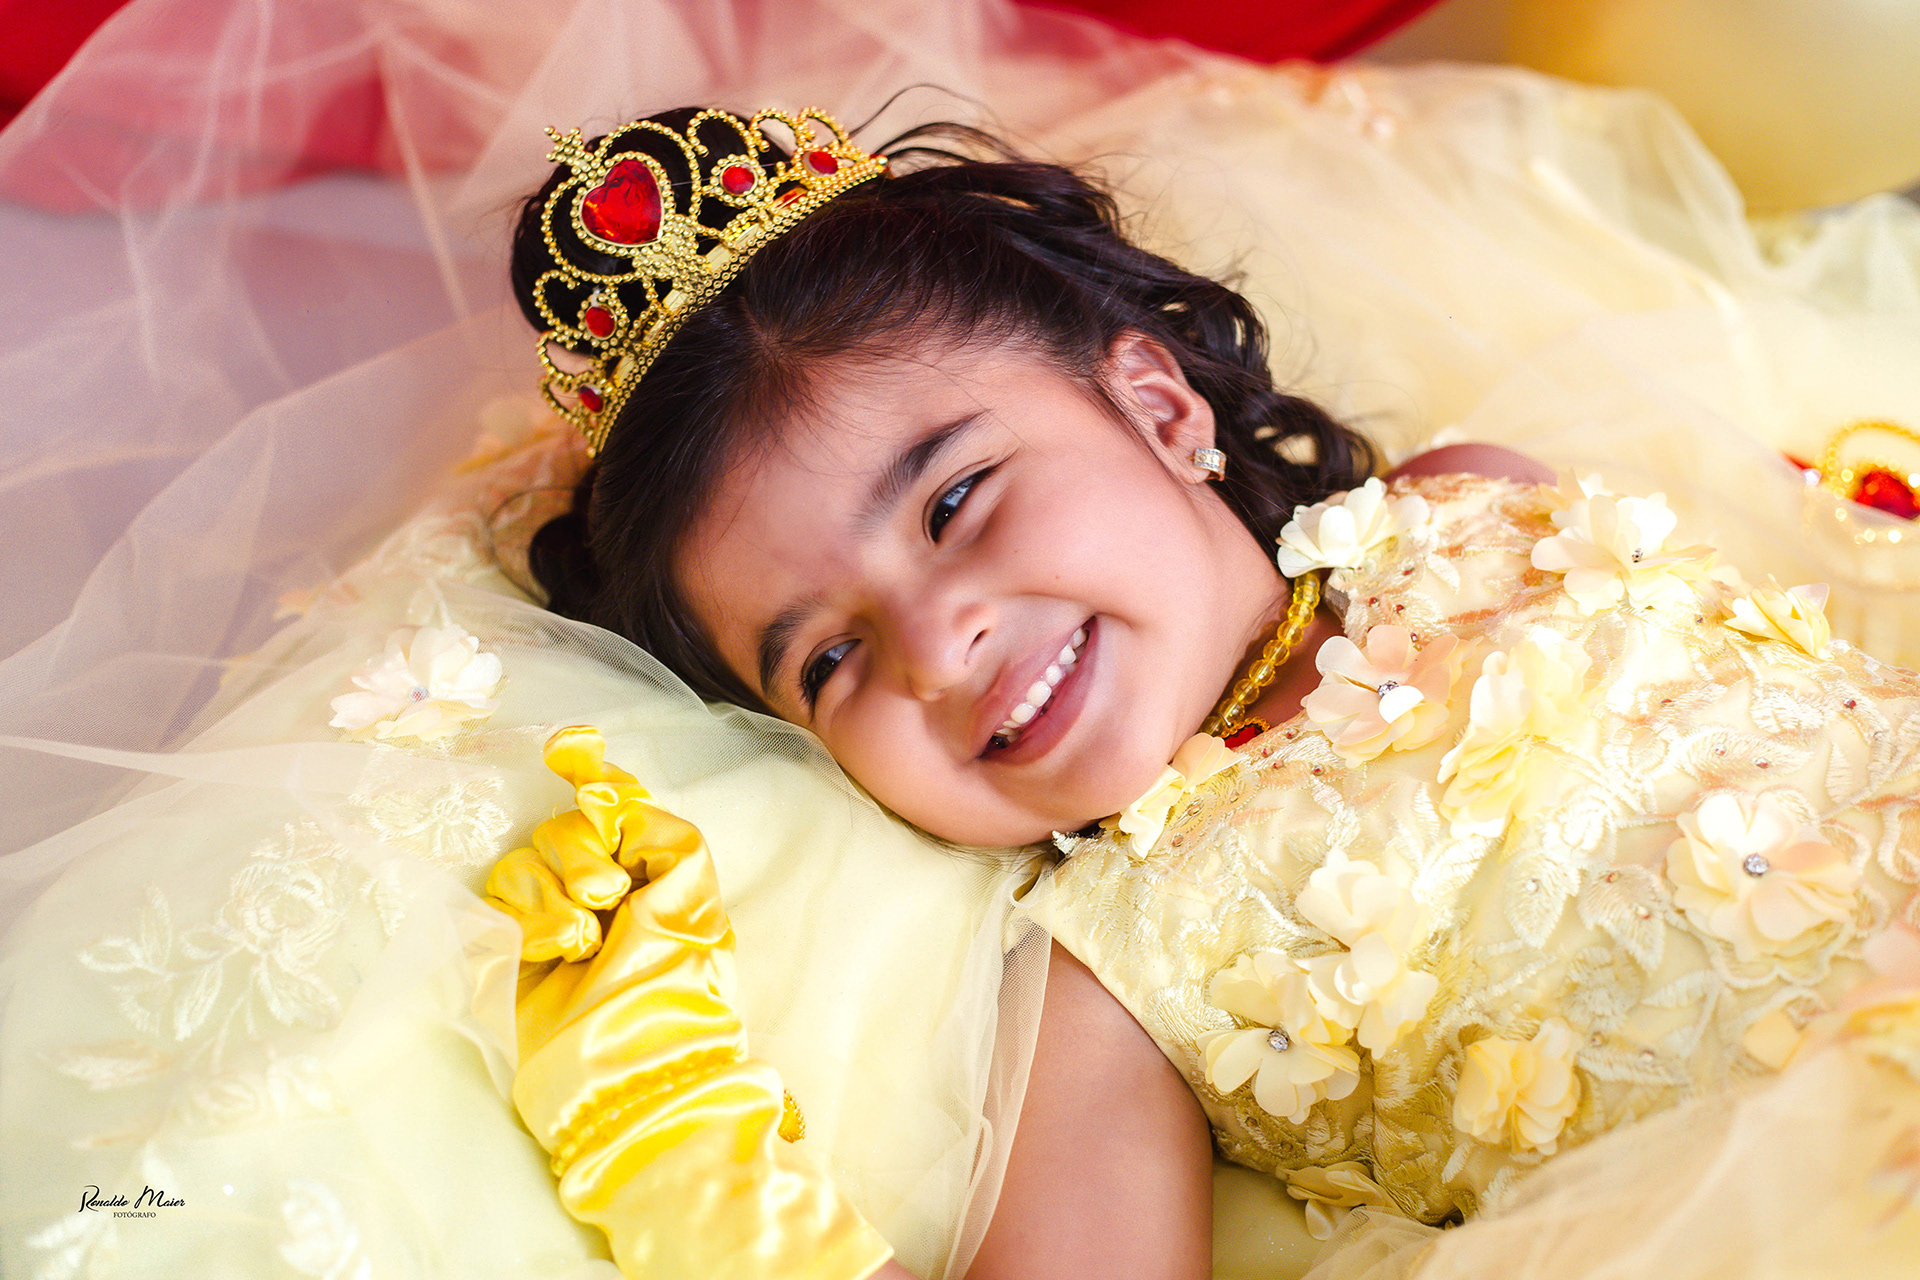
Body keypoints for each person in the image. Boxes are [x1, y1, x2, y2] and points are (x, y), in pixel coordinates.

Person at [487, 103, 1920, 1280]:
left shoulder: (1476, 502)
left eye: (956, 502)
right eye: (828, 660)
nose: (935, 650)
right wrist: (683, 1161)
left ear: (1161, 408)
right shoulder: (1107, 970)